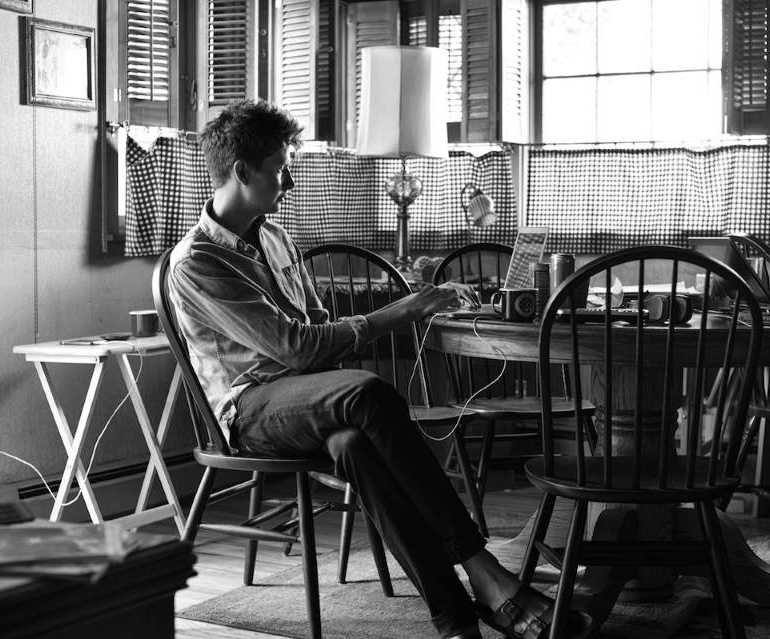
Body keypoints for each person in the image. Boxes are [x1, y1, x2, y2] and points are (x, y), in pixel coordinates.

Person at [168, 99, 590, 639]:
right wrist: (405, 309)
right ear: (242, 171)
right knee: (368, 393)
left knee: (355, 446)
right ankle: (484, 570)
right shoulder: (198, 262)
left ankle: (456, 621)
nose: (290, 182)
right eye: (280, 169)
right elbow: (299, 347)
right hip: (248, 409)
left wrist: (332, 344)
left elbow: (318, 327)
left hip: (308, 398)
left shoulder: (274, 237)